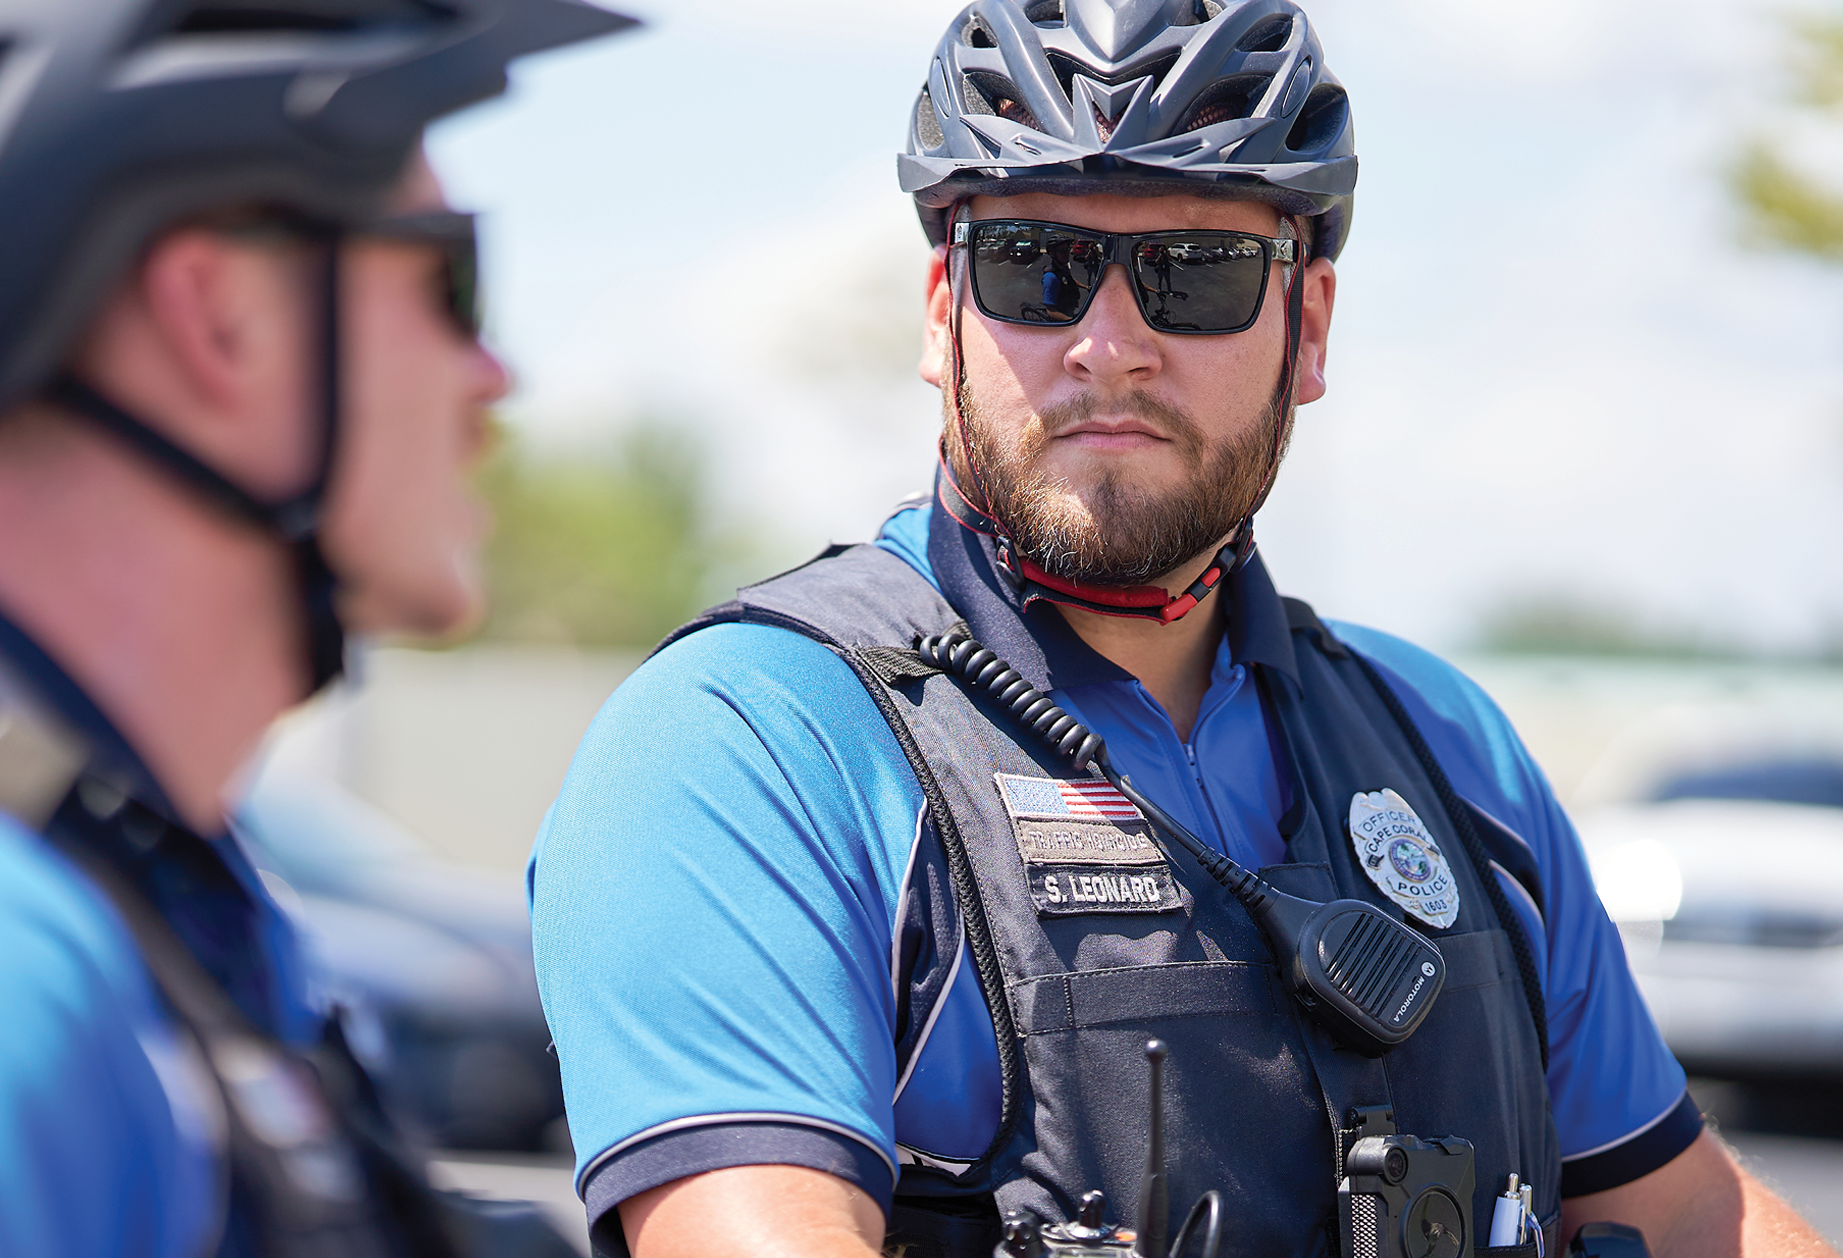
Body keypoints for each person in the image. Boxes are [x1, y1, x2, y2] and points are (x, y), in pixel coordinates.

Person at [529, 4, 1836, 1258]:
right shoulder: (748, 743)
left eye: (1195, 275)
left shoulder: (1448, 746)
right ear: (941, 314)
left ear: (1306, 327)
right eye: (1033, 267)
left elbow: (1690, 1217)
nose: (1109, 344)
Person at [0, 0, 633, 1254]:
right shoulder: (26, 972)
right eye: (448, 281)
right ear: (216, 315)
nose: (493, 374)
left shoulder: (190, 902)